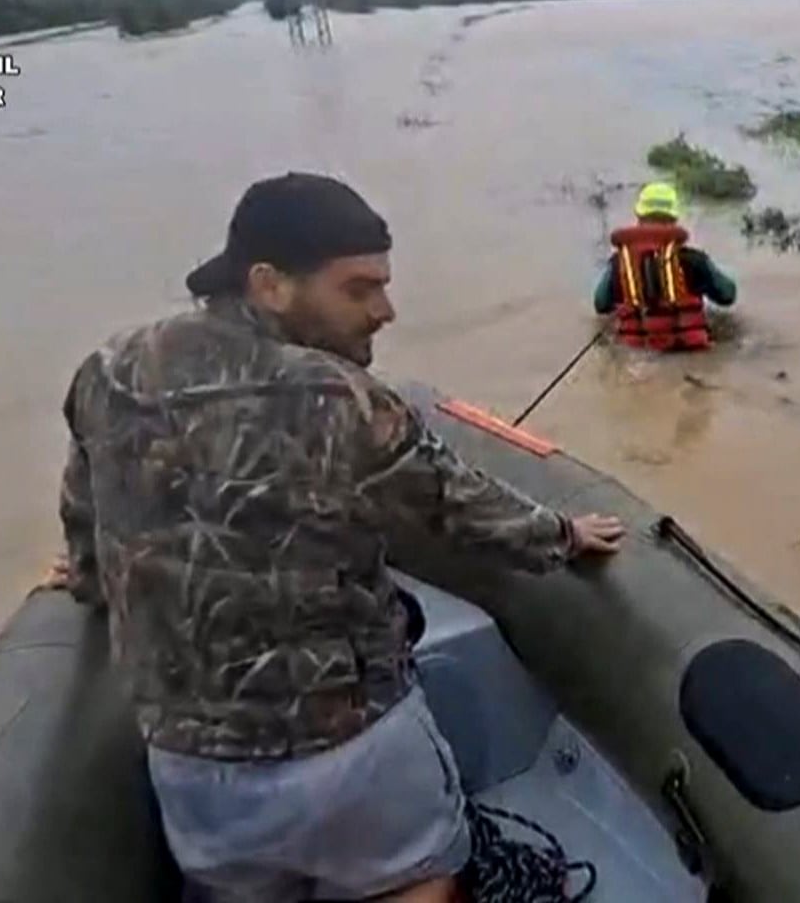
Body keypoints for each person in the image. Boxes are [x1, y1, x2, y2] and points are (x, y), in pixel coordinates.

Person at [45, 171, 626, 903]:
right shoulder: (341, 395)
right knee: (421, 883)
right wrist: (565, 534)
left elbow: (85, 513)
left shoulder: (108, 371)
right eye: (359, 289)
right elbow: (457, 506)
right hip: (352, 753)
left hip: (194, 774)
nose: (386, 310)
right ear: (270, 284)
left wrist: (90, 581)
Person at [592, 181, 737, 351]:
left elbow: (601, 304)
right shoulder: (694, 260)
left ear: (639, 217)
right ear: (674, 219)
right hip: (689, 351)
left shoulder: (618, 262)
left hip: (637, 353)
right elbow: (727, 295)